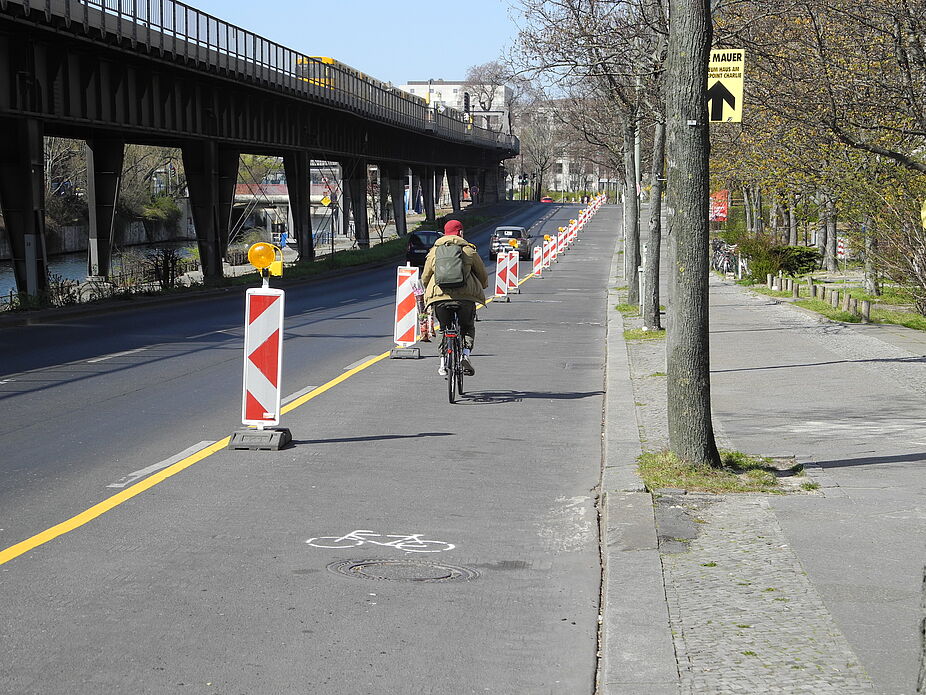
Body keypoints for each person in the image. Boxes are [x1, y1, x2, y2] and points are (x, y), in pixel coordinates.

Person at [420, 219, 488, 376]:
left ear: (444, 233)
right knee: (467, 326)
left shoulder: (434, 251)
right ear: (461, 233)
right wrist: (483, 286)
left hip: (439, 297)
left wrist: (427, 290)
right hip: (465, 297)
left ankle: (443, 362)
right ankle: (465, 353)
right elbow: (482, 274)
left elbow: (425, 277)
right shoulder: (468, 250)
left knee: (444, 328)